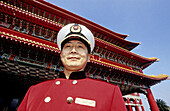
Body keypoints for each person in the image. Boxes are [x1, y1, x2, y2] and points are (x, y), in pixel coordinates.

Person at [17, 23, 127, 111]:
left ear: (89, 57)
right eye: (68, 46)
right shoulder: (34, 91)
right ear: (61, 55)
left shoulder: (109, 92)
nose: (73, 51)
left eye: (80, 47)